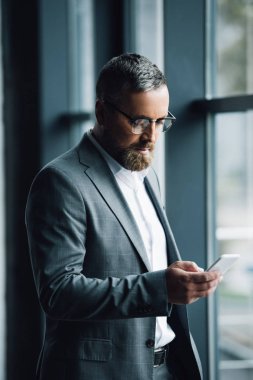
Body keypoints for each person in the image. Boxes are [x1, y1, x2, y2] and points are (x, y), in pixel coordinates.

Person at [25, 53, 221, 380]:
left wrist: (177, 279)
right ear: (102, 112)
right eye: (140, 121)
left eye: (161, 122)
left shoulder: (146, 175)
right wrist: (160, 288)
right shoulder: (60, 181)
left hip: (168, 366)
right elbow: (58, 292)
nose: (152, 137)